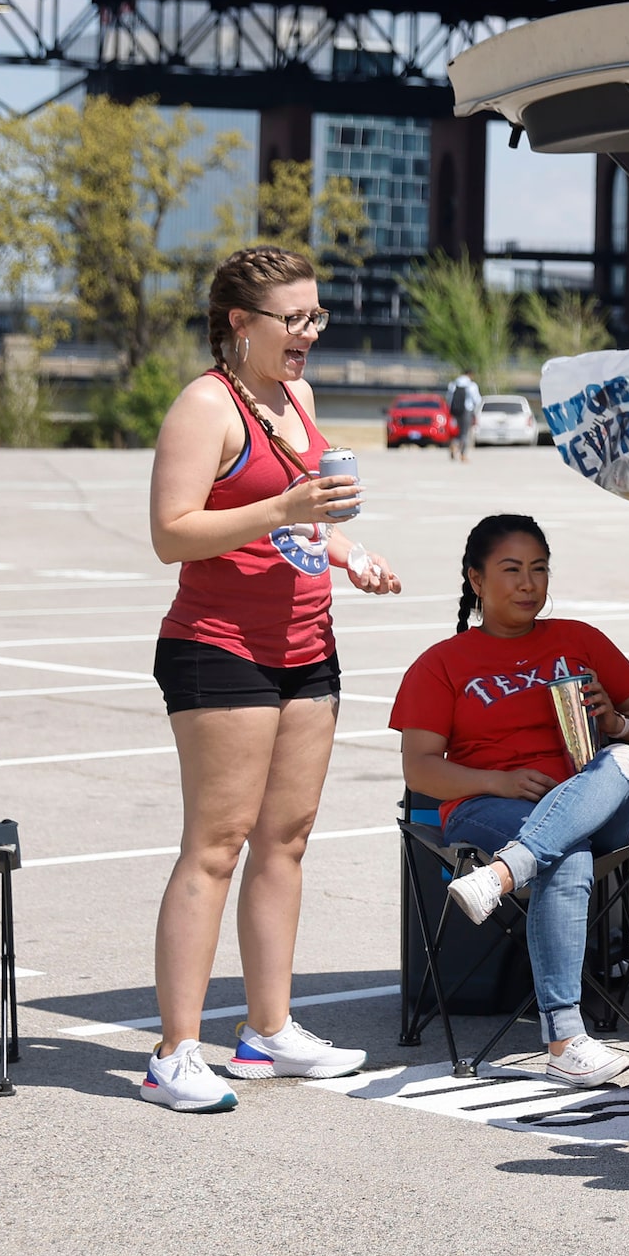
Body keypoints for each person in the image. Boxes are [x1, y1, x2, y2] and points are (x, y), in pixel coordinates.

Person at [143, 243, 406, 1113]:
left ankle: (267, 1033)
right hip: (219, 645)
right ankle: (176, 1051)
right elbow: (174, 532)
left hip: (307, 641)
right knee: (214, 846)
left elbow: (299, 525)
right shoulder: (204, 407)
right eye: (293, 319)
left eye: (315, 316)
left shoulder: (297, 396)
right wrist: (280, 509)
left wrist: (346, 552)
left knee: (285, 840)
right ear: (238, 324)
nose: (308, 334)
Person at [390, 513, 629, 1084]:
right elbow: (421, 771)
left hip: (595, 794)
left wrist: (614, 720)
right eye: (511, 570)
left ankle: (506, 872)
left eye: (538, 569)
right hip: (490, 808)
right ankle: (565, 1039)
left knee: (625, 759)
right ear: (475, 579)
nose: (528, 584)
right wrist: (499, 781)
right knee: (565, 854)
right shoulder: (441, 665)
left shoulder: (579, 640)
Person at [448, 369, 481, 464]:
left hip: (456, 410)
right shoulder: (471, 385)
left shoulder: (453, 384)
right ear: (470, 375)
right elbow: (477, 399)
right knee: (465, 433)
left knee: (459, 431)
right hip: (466, 410)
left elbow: (449, 398)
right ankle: (463, 454)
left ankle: (454, 444)